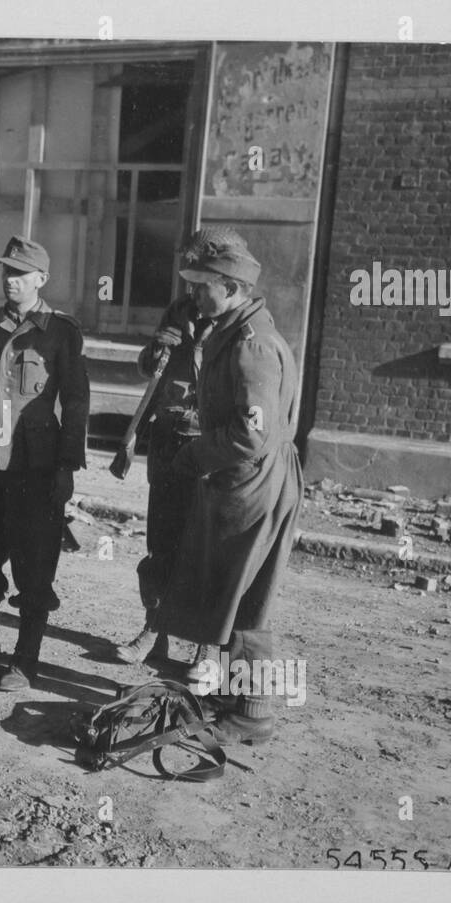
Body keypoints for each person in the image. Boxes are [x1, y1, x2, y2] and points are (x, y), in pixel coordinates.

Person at [160, 226, 304, 743]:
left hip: (252, 484)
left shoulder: (252, 345)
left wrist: (196, 452)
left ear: (230, 286)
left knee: (246, 603)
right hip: (244, 480)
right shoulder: (234, 331)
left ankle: (253, 715)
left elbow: (253, 432)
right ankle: (241, 699)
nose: (194, 294)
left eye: (202, 285)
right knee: (237, 598)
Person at [0, 236, 90, 691]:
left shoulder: (60, 332)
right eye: (6, 271)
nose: (10, 280)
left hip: (36, 466)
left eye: (19, 273)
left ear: (41, 279)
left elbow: (76, 401)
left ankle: (25, 661)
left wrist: (68, 465)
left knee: (34, 566)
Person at [114, 292, 212, 665]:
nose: (196, 286)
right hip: (168, 442)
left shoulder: (234, 322)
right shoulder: (179, 309)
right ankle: (154, 630)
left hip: (208, 447)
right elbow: (147, 367)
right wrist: (158, 346)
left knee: (206, 550)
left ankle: (208, 647)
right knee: (161, 545)